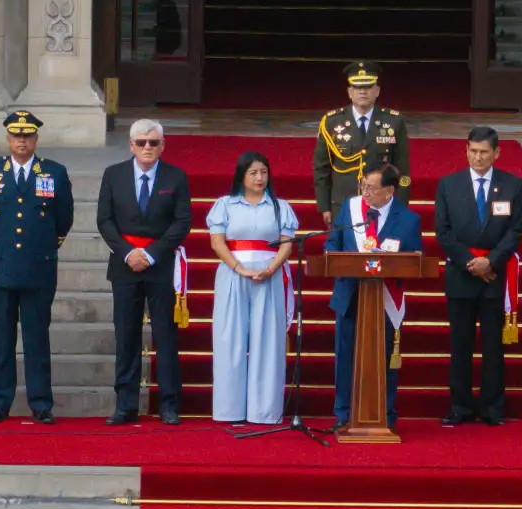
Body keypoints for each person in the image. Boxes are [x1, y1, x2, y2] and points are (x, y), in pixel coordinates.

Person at [0, 110, 72, 423]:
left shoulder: (53, 173)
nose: (22, 141)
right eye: (17, 136)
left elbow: (64, 218)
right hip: (0, 266)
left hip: (39, 266)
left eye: (27, 136)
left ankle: (41, 403)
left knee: (36, 338)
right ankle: (0, 402)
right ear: (8, 139)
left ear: (36, 139)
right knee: (1, 338)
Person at [96, 119, 192, 425]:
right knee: (126, 336)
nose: (147, 147)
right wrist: (129, 253)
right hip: (125, 266)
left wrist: (151, 254)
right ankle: (125, 404)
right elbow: (105, 220)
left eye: (153, 142)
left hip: (161, 266)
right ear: (131, 145)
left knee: (165, 335)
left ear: (162, 145)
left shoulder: (176, 177)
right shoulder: (113, 175)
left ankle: (168, 404)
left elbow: (182, 222)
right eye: (141, 142)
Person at [433, 128, 522, 426]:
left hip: (493, 276)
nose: (478, 157)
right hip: (462, 275)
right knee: (460, 345)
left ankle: (491, 407)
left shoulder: (512, 185)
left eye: (484, 152)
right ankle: (460, 406)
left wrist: (491, 262)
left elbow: (514, 230)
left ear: (497, 153)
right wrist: (469, 263)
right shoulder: (449, 185)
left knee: (492, 346)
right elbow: (443, 232)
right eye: (473, 150)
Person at [327, 161, 422, 430]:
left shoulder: (408, 220)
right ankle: (344, 413)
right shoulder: (351, 208)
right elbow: (332, 243)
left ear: (390, 191)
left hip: (386, 299)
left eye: (371, 188)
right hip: (351, 294)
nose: (365, 193)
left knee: (385, 360)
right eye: (363, 186)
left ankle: (385, 415)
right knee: (345, 356)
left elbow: (416, 259)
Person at [206, 150, 298, 426]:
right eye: (254, 173)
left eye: (264, 172)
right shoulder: (225, 205)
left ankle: (265, 411)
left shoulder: (280, 206)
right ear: (242, 176)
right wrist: (239, 268)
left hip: (268, 275)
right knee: (229, 340)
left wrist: (270, 269)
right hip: (234, 275)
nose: (260, 178)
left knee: (268, 341)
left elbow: (286, 243)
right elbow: (217, 242)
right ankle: (229, 409)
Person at [313, 62, 410, 225]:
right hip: (343, 204)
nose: (363, 91)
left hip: (382, 204)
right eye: (357, 87)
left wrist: (399, 205)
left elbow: (402, 170)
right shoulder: (331, 122)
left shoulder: (394, 121)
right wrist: (325, 206)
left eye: (368, 86)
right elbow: (321, 168)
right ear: (349, 92)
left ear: (377, 90)